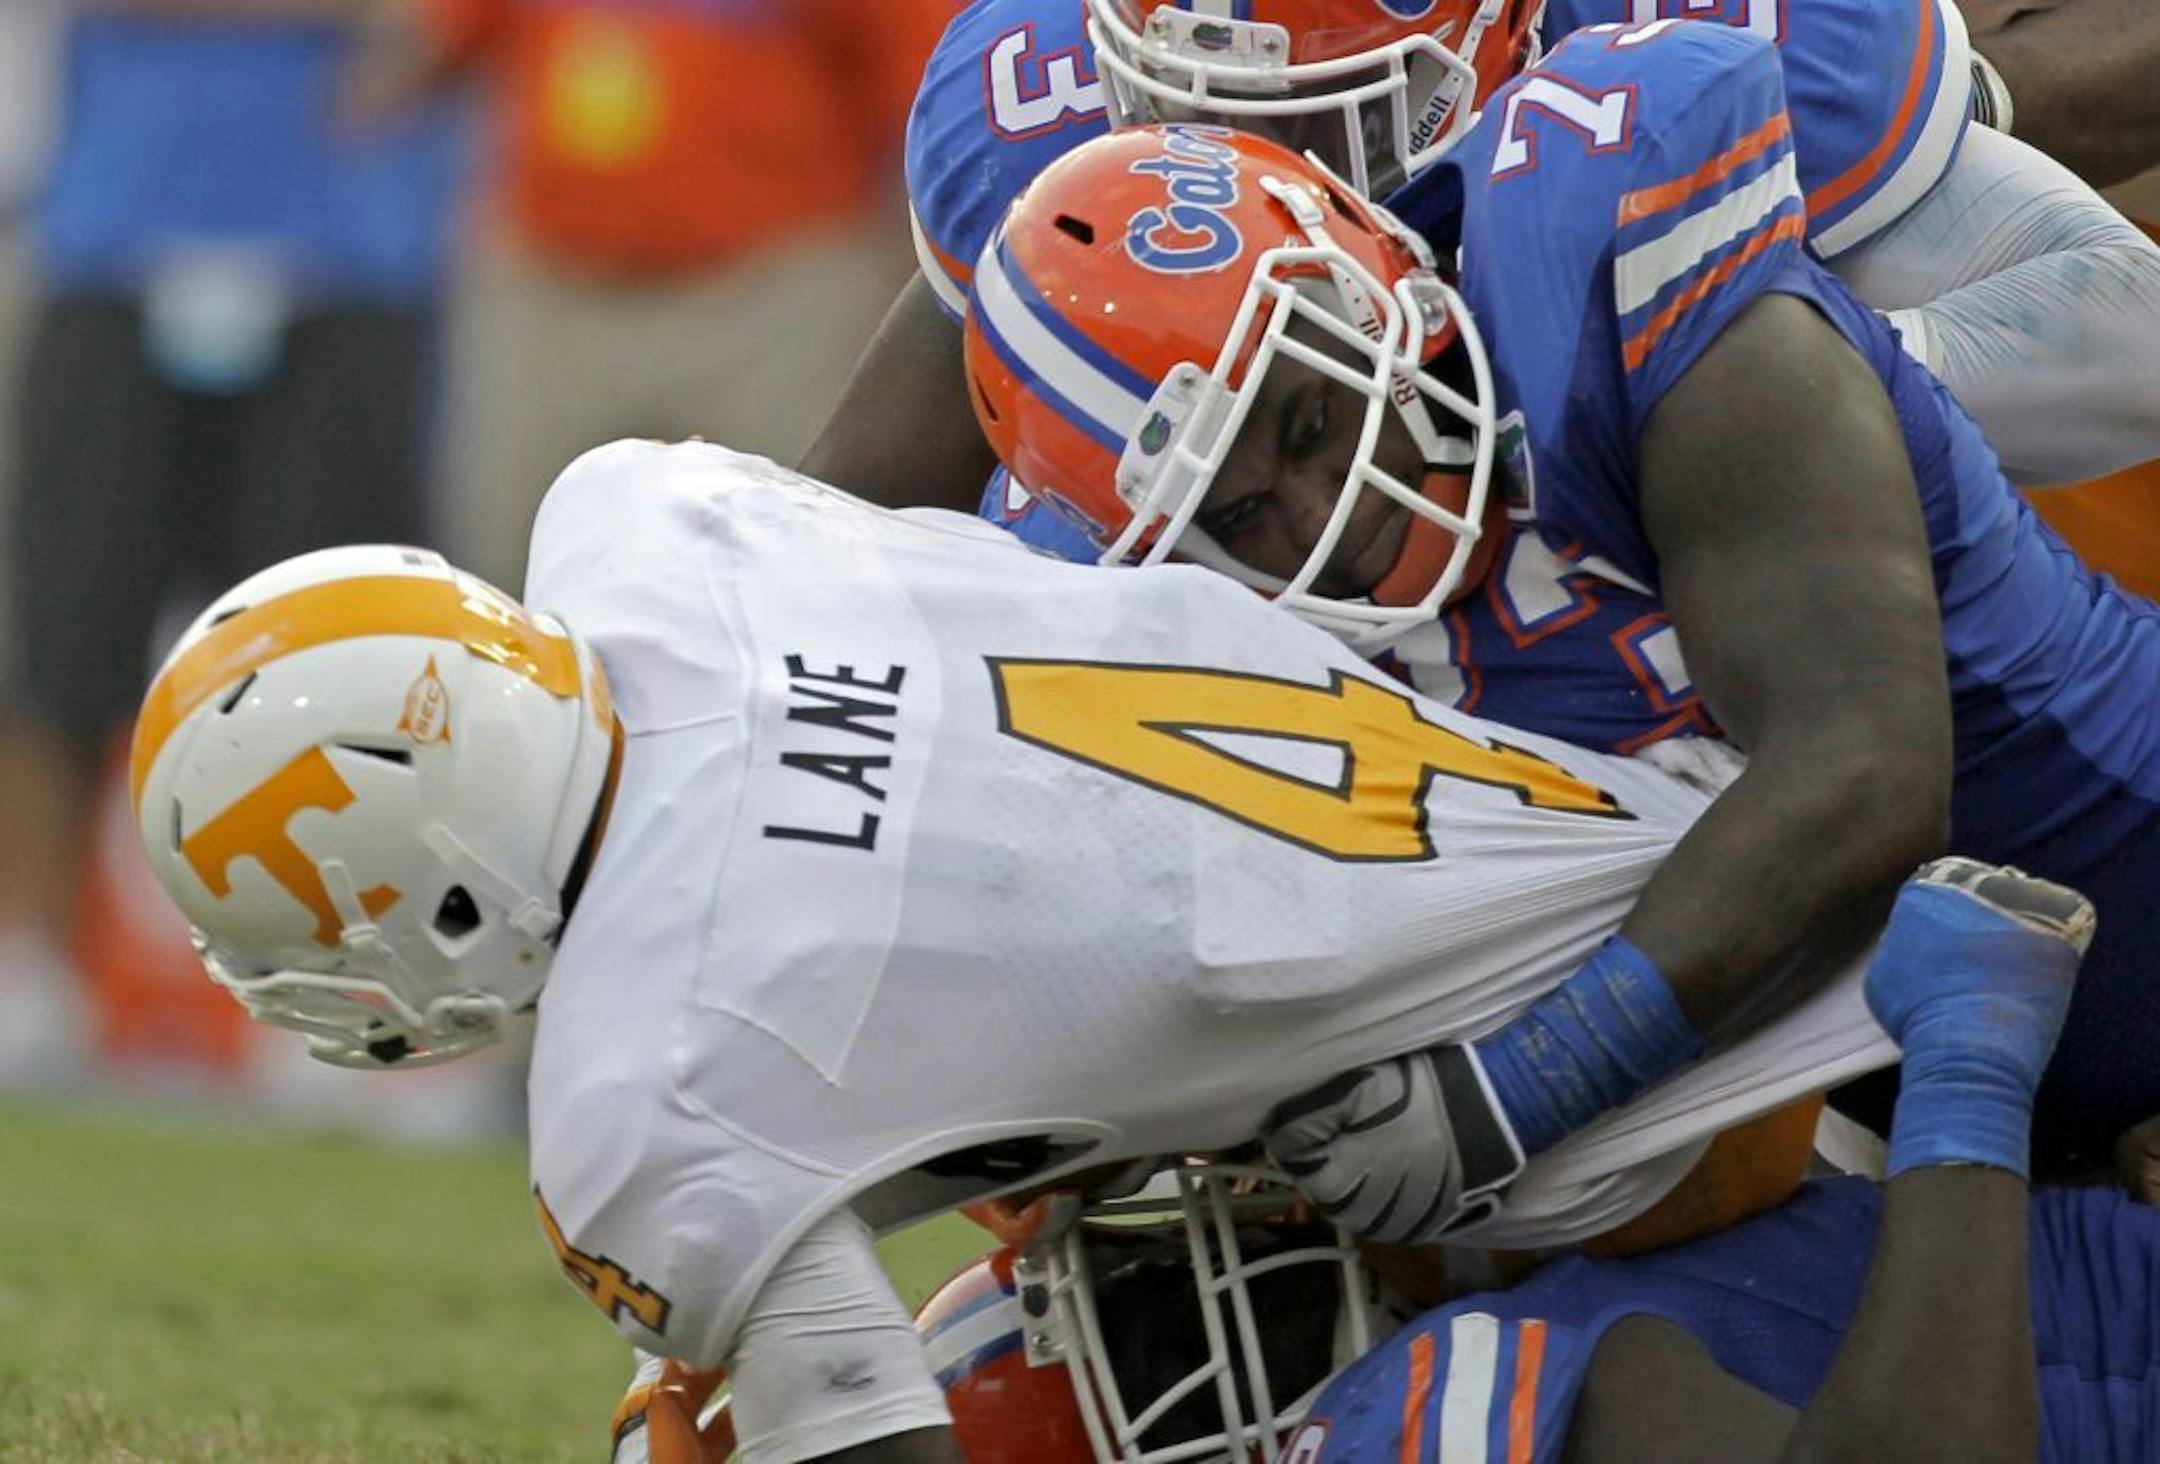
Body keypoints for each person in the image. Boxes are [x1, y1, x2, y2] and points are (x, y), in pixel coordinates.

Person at [130, 439, 1921, 1464]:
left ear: (431, 885)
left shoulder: (655, 1091)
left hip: (1625, 1113)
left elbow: (873, 1439)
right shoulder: (641, 524)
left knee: (706, 1440)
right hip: (1655, 805)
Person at [964, 25, 2160, 1207]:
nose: (1328, 510)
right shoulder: (1173, 606)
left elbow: (1865, 780)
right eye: (1240, 511)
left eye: (1312, 424)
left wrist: (1513, 1096)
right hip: (1935, 1101)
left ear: (1375, 272)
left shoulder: (1606, 267)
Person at [927, 859, 2123, 1464]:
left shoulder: (1446, 1246)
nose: (1213, 1263)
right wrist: (1971, 1071)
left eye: (1150, 1267)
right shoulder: (1419, 1389)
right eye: (1156, 1344)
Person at [802, 0, 2160, 522]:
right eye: (1185, 112)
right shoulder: (1025, 104)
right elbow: (858, 518)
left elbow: (2123, 326)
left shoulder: (1680, 50)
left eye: (1327, 123)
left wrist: (1709, 404)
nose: (1260, 177)